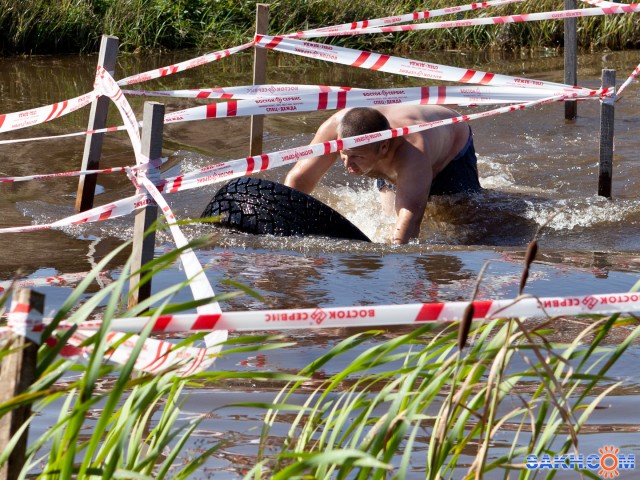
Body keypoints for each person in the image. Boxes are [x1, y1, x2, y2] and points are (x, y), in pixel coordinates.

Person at [284, 105, 482, 244]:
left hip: (451, 145)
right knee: (387, 219)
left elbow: (410, 219)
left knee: (462, 224)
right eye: (343, 154)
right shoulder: (336, 127)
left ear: (384, 147)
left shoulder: (413, 150)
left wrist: (393, 264)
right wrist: (283, 222)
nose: (347, 165)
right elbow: (299, 178)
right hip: (382, 148)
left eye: (356, 157)